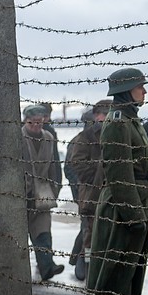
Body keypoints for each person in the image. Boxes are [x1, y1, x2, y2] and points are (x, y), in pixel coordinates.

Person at [85, 68, 148, 295]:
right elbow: (119, 174)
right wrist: (134, 214)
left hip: (139, 199)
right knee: (118, 269)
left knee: (131, 268)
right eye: (141, 86)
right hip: (123, 206)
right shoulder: (117, 123)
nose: (145, 91)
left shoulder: (130, 120)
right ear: (128, 89)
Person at [66, 99, 111, 282]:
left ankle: (87, 265)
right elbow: (73, 168)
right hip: (88, 193)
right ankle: (83, 266)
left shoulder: (112, 135)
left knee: (97, 232)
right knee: (88, 233)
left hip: (105, 194)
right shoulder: (81, 139)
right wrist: (95, 178)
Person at [21, 104, 64, 282]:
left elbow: (54, 165)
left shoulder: (48, 137)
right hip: (20, 195)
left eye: (40, 122)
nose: (37, 126)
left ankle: (47, 267)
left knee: (43, 233)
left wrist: (55, 189)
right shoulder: (17, 137)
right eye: (33, 123)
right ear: (25, 121)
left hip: (43, 194)